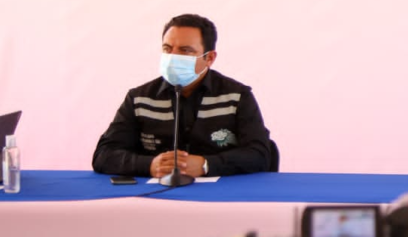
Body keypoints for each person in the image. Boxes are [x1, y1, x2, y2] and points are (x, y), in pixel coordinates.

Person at [92, 14, 274, 178]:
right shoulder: (139, 98)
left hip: (222, 195)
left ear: (209, 58)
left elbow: (260, 154)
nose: (173, 57)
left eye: (185, 50)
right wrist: (149, 165)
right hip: (157, 196)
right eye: (167, 48)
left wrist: (206, 165)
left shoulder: (237, 96)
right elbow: (104, 154)